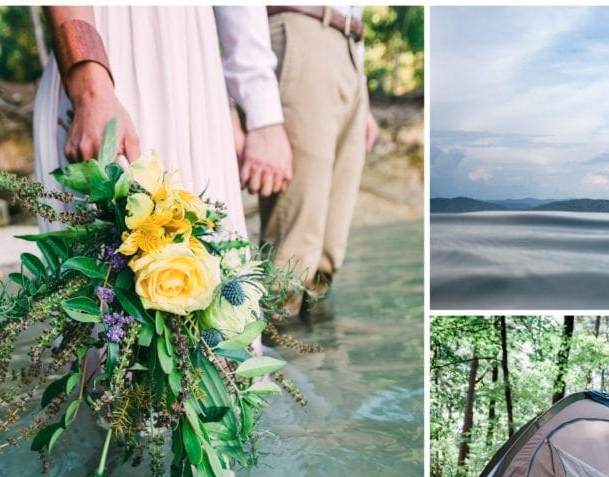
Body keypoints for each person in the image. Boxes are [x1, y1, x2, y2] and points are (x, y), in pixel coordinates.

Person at [33, 6, 292, 237]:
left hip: (192, 68)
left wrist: (236, 110)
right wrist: (91, 90)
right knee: (107, 269)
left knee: (212, 265)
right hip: (104, 50)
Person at [259, 6, 380, 319]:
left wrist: (361, 89)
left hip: (350, 44)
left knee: (330, 248)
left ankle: (319, 360)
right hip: (301, 26)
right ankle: (276, 358)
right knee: (293, 247)